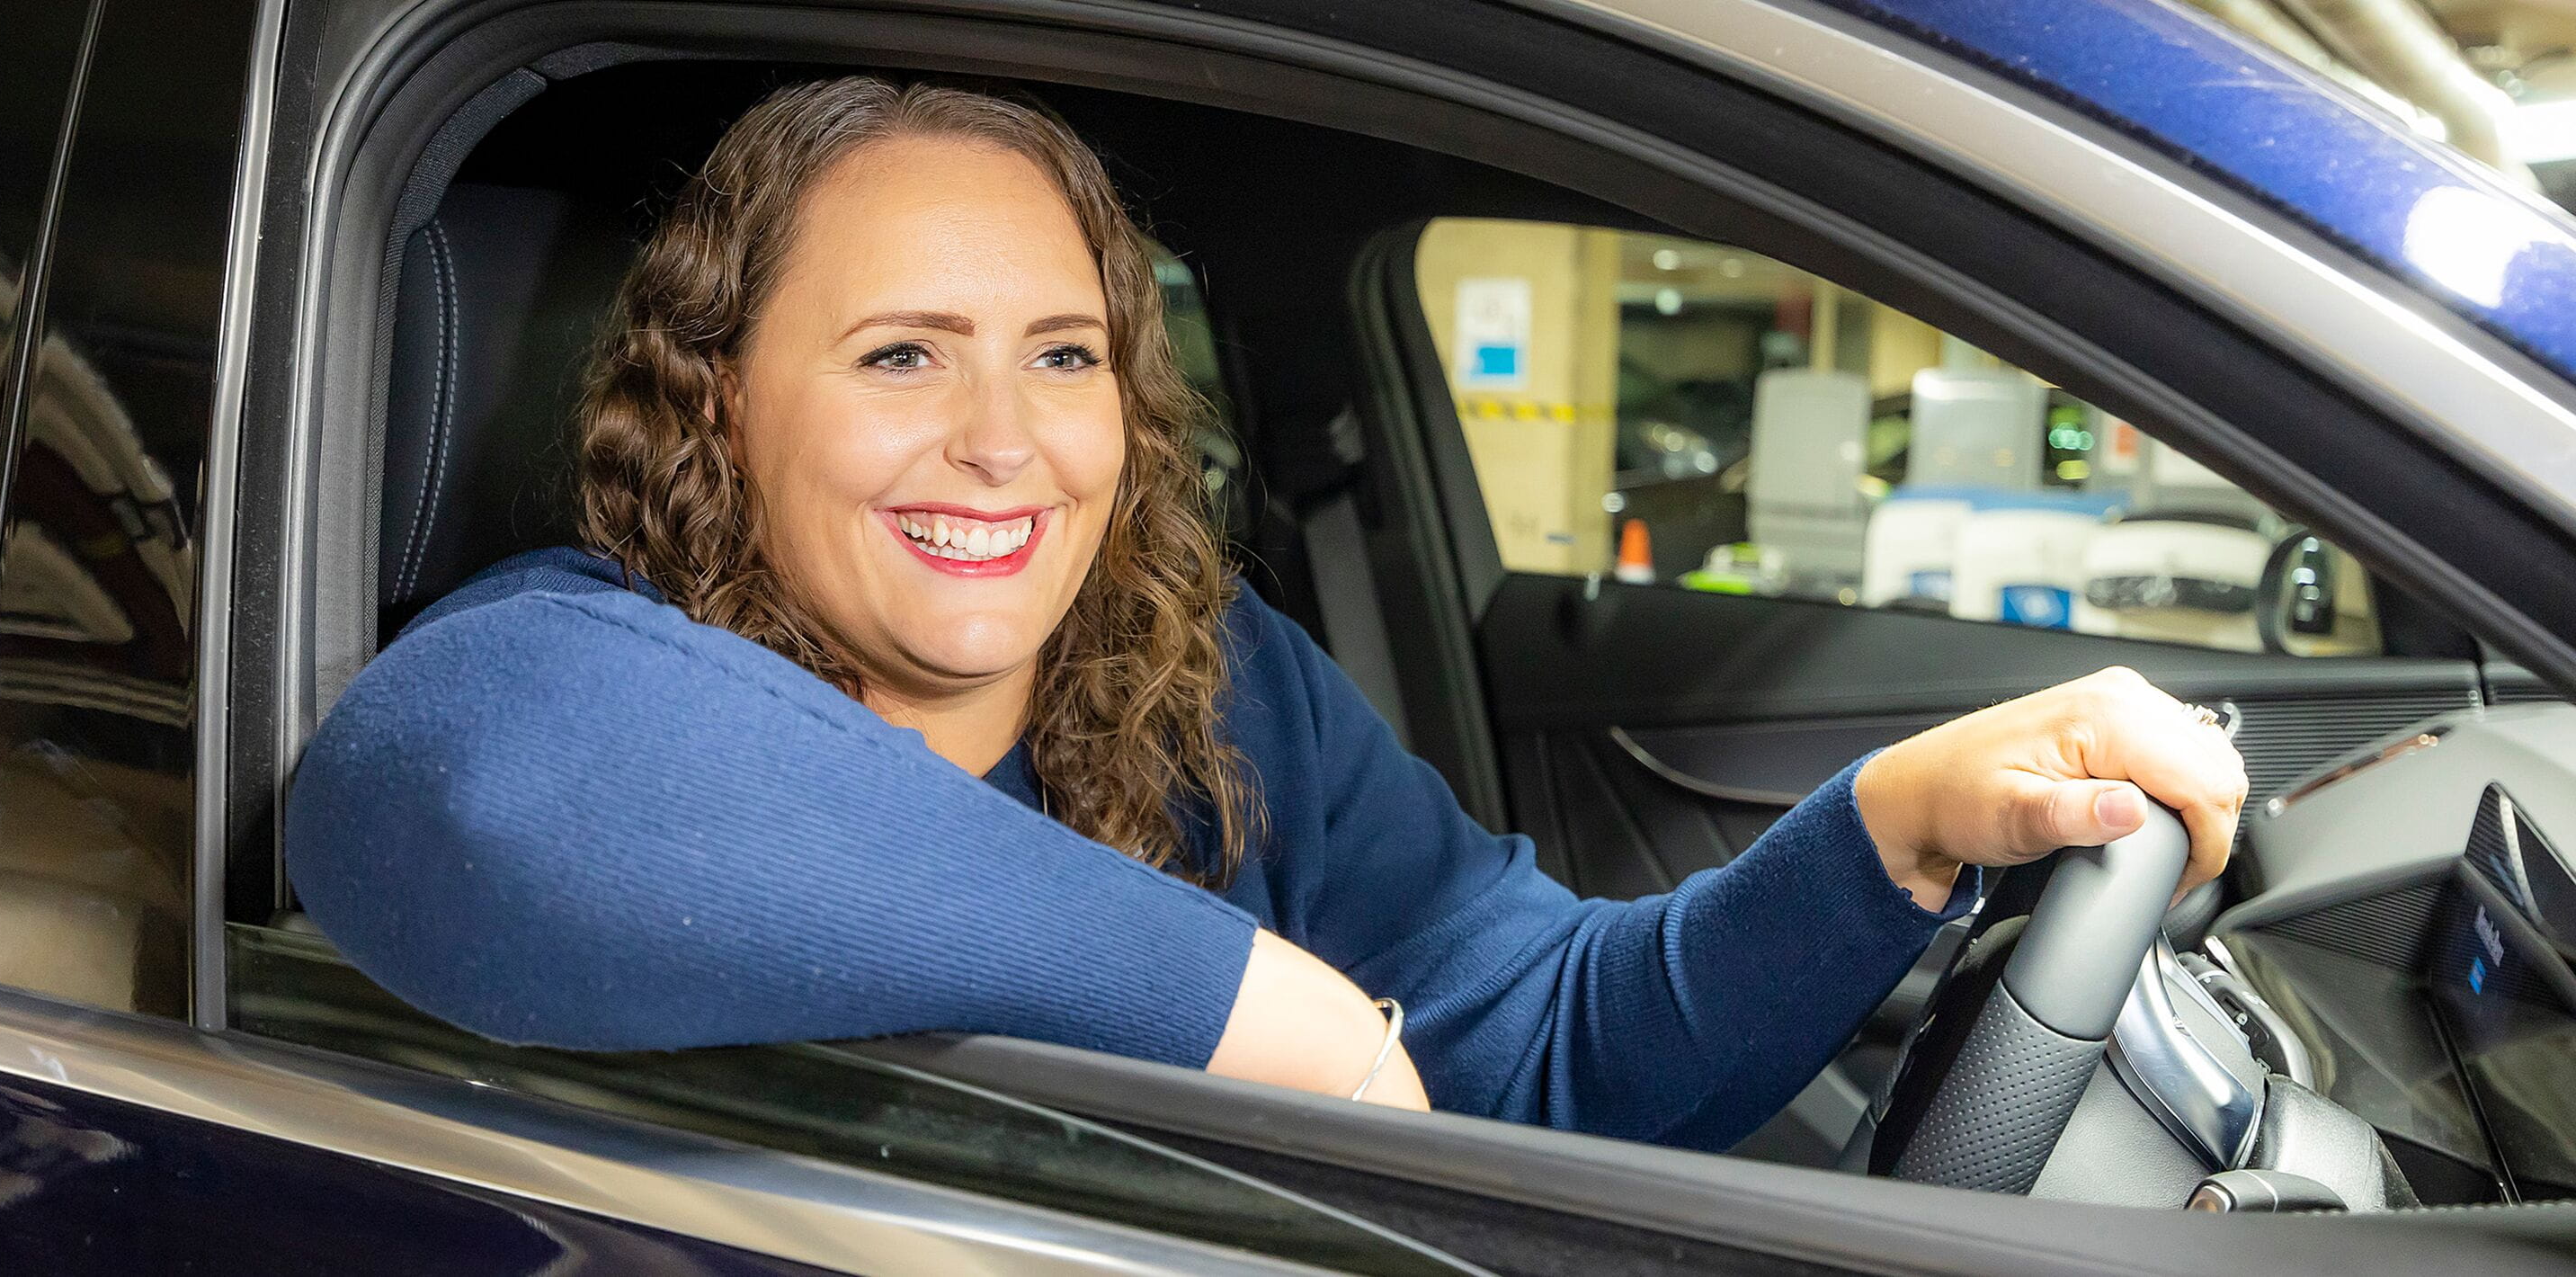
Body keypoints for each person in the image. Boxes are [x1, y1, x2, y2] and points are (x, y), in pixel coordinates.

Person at [288, 76, 2249, 1145]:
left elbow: (1546, 1046)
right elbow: (462, 797)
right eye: (900, 354)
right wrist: (1265, 1009)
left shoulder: (1197, 673)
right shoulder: (607, 666)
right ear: (719, 399)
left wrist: (1890, 823)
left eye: (1064, 357)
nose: (1003, 443)